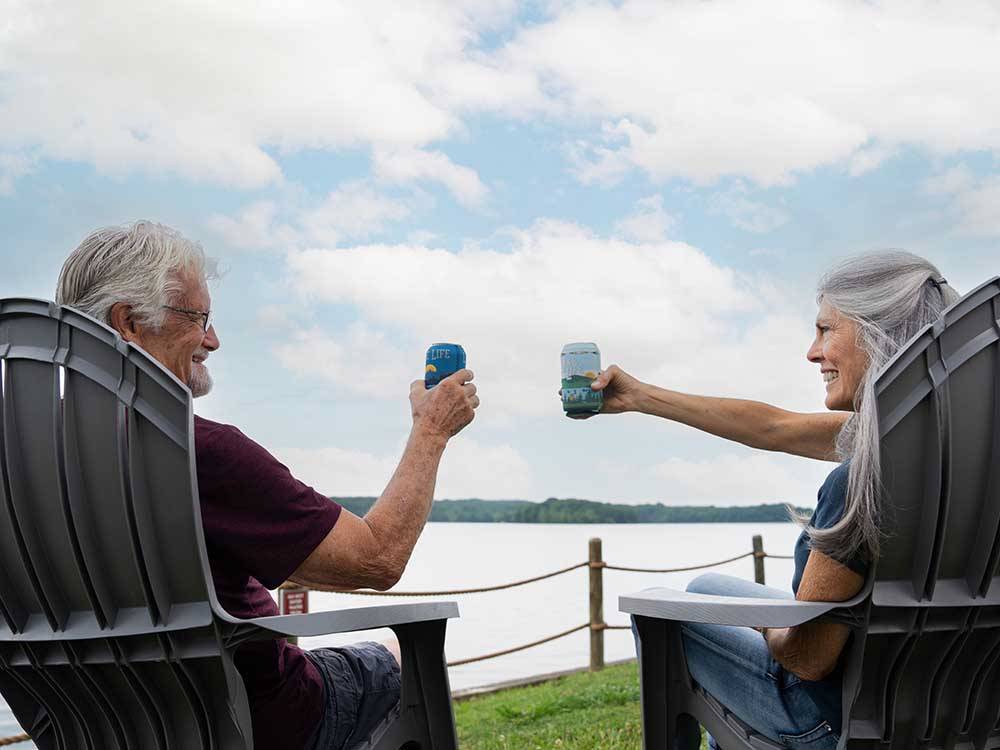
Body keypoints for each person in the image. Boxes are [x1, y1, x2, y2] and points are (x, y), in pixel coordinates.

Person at [55, 221, 480, 750]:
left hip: (91, 724)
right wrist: (431, 432)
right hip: (245, 722)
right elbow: (378, 559)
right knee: (392, 660)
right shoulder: (197, 453)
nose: (213, 339)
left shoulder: (22, 461)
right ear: (129, 323)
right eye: (199, 317)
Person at [577, 251, 960, 749]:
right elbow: (775, 427)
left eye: (825, 330)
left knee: (661, 615)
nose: (812, 352)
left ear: (878, 333)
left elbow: (808, 656)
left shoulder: (862, 480)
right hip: (950, 700)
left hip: (837, 720)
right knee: (707, 586)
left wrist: (760, 622)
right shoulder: (949, 450)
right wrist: (640, 396)